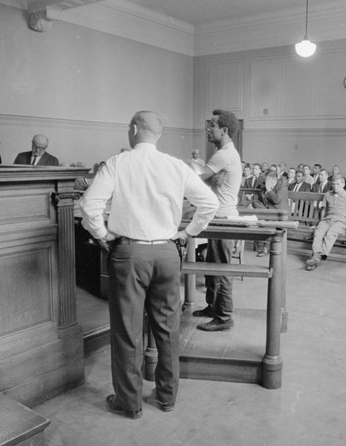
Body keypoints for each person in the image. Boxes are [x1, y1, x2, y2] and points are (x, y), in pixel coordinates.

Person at [79, 111, 218, 419]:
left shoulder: (117, 163)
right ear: (159, 134)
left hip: (130, 253)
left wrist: (102, 235)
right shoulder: (176, 165)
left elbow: (89, 205)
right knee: (168, 329)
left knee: (128, 330)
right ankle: (167, 396)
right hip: (168, 253)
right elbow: (210, 203)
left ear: (132, 130)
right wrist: (187, 232)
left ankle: (129, 403)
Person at [192, 110, 243, 332]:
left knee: (221, 269)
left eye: (211, 124)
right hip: (219, 216)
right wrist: (200, 167)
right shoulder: (226, 153)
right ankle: (213, 307)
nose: (207, 128)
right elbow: (207, 178)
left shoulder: (223, 154)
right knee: (213, 267)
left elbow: (195, 182)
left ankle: (223, 317)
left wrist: (191, 165)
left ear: (224, 130)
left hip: (223, 219)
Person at [305, 174, 346, 270]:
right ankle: (317, 257)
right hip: (326, 220)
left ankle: (317, 257)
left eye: (338, 184)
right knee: (318, 233)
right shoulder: (327, 194)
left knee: (330, 234)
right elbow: (323, 210)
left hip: (340, 222)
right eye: (334, 184)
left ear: (343, 184)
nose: (335, 186)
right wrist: (319, 223)